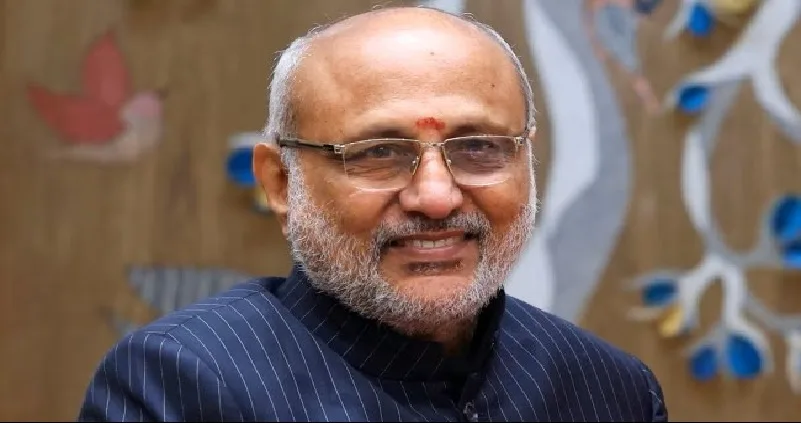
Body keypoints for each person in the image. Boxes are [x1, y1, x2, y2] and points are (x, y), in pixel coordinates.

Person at [77, 6, 668, 422]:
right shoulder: (183, 382)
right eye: (378, 153)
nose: (436, 197)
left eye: (478, 148)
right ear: (280, 182)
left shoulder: (610, 389)